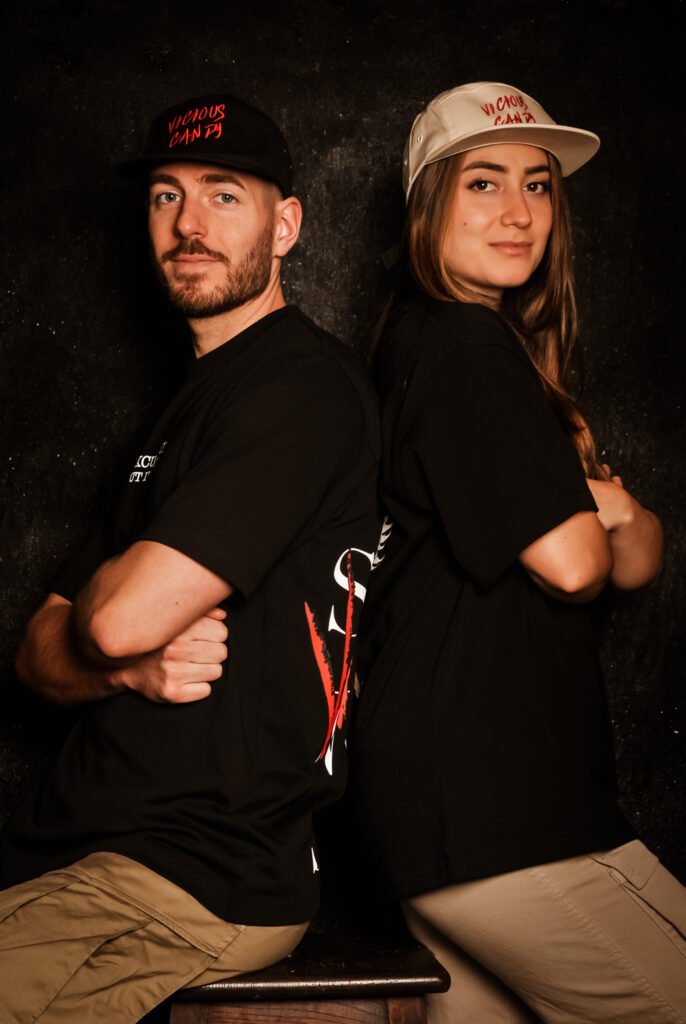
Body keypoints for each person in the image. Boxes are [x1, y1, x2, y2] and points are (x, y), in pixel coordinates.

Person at [0, 92, 381, 1022]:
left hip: (194, 871)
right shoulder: (174, 417)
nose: (189, 224)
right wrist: (123, 667)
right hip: (84, 851)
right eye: (166, 196)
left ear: (285, 224)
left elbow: (111, 615)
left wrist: (110, 626)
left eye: (224, 194)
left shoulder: (301, 389)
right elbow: (37, 654)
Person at [350, 82, 686, 1023]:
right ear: (429, 206)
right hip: (494, 810)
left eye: (537, 186)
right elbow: (579, 564)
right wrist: (600, 508)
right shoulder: (457, 345)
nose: (518, 211)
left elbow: (638, 558)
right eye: (483, 183)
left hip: (467, 808)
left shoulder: (487, 354)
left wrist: (600, 506)